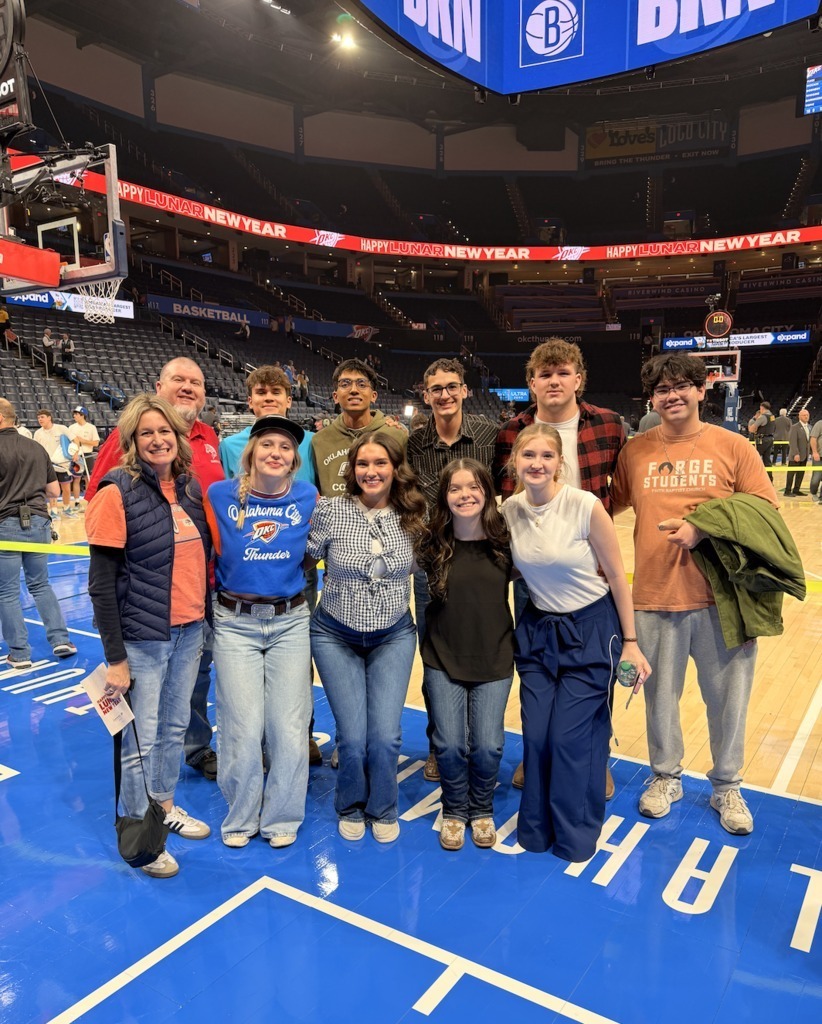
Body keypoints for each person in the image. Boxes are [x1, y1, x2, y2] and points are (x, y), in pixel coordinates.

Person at [611, 353, 778, 835]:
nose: (672, 396)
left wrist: (702, 528)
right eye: (662, 390)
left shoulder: (734, 446)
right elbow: (610, 507)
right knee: (659, 699)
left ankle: (727, 785)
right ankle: (666, 777)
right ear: (652, 399)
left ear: (703, 390)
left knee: (728, 700)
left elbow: (763, 513)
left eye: (682, 386)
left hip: (722, 600)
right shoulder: (635, 451)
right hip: (654, 596)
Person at [503, 424, 650, 861]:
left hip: (591, 632)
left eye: (546, 456)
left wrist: (631, 641)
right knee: (537, 736)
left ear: (559, 463)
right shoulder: (509, 510)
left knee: (571, 740)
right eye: (528, 455)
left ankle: (575, 834)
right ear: (515, 462)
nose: (537, 464)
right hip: (538, 632)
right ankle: (536, 829)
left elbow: (619, 580)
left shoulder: (585, 506)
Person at [86, 394, 212, 878]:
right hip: (143, 640)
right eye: (146, 433)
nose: (157, 440)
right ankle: (139, 840)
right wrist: (115, 658)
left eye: (165, 432)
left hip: (188, 632)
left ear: (178, 438)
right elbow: (101, 584)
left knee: (174, 730)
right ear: (132, 442)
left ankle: (163, 809)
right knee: (140, 741)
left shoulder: (189, 488)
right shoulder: (115, 492)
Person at [494, 338, 626, 797]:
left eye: (563, 372)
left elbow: (622, 489)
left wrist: (597, 542)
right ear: (531, 383)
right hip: (532, 571)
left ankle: (596, 756)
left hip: (584, 570)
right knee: (537, 676)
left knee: (591, 674)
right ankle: (537, 756)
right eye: (544, 374)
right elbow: (501, 494)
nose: (554, 381)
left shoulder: (609, 425)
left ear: (578, 379)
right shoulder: (511, 431)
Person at [87, 358, 224, 782]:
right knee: (142, 732)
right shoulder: (120, 467)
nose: (188, 387)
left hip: (195, 610)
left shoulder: (203, 453)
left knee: (181, 710)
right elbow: (102, 567)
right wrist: (114, 654)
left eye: (196, 382)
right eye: (178, 380)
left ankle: (175, 783)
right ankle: (139, 828)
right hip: (146, 620)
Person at [308, 432, 426, 843]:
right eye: (363, 464)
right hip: (334, 635)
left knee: (386, 737)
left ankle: (384, 807)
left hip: (392, 635)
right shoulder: (331, 512)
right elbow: (302, 558)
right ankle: (351, 805)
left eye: (380, 463)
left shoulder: (414, 512)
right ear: (351, 469)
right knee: (353, 738)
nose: (371, 471)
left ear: (395, 468)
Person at [205, 415, 317, 849]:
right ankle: (240, 816)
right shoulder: (218, 495)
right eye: (267, 444)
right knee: (241, 725)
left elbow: (311, 553)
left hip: (289, 622)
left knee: (289, 728)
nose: (276, 452)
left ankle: (282, 815)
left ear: (294, 460)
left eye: (285, 447)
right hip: (235, 623)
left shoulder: (308, 497)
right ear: (250, 453)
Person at [219, 364, 321, 765]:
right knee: (245, 671)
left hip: (297, 568)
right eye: (261, 392)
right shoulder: (231, 446)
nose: (269, 398)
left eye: (276, 393)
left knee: (298, 659)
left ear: (288, 400)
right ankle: (256, 742)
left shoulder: (309, 442)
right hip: (247, 566)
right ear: (250, 400)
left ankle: (303, 734)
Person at [406, 357, 499, 782]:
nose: (444, 394)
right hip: (434, 566)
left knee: (482, 646)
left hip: (482, 563)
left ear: (464, 390)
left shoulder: (488, 436)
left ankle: (477, 737)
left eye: (451, 386)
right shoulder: (414, 442)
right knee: (436, 659)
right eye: (435, 388)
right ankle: (438, 743)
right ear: (426, 396)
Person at [417, 458, 514, 851]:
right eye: (455, 488)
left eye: (473, 487)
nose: (465, 495)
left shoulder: (506, 541)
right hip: (442, 655)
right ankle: (455, 810)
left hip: (493, 656)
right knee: (450, 744)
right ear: (444, 496)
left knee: (488, 745)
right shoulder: (431, 542)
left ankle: (482, 808)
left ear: (487, 492)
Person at [0, 398, 77, 669]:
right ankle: (61, 640)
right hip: (38, 522)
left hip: (5, 525)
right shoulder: (35, 447)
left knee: (7, 592)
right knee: (41, 584)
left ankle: (20, 654)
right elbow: (55, 492)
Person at [311, 358, 407, 497]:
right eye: (345, 384)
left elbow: (405, 486)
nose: (354, 390)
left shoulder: (396, 435)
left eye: (362, 384)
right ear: (335, 396)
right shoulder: (319, 440)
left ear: (373, 396)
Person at [33, 409, 76, 519]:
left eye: (42, 417)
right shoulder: (38, 433)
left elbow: (75, 440)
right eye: (38, 418)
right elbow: (36, 449)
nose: (40, 420)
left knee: (66, 488)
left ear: (49, 418)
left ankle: (67, 508)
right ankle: (53, 510)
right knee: (51, 489)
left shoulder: (61, 428)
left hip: (62, 464)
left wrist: (75, 452)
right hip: (47, 465)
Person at [67, 406, 100, 509]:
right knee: (76, 479)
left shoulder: (91, 427)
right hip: (76, 455)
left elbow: (96, 443)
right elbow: (68, 442)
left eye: (76, 414)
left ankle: (90, 501)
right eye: (74, 414)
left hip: (88, 455)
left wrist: (83, 441)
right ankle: (77, 502)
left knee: (88, 479)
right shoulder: (71, 428)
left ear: (82, 415)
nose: (74, 416)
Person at [784, 409, 811, 497]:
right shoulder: (794, 427)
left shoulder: (810, 427)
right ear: (799, 416)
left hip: (805, 455)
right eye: (804, 415)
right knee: (791, 474)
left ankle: (796, 490)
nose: (806, 416)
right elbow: (792, 441)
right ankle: (787, 491)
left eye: (807, 415)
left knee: (800, 474)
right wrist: (796, 453)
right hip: (795, 455)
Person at [747, 400, 775, 482]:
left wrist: (754, 428)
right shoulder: (772, 416)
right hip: (770, 439)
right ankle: (769, 480)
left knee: (755, 458)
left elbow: (752, 429)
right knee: (767, 461)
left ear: (762, 408)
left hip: (762, 439)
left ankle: (753, 480)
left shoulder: (762, 417)